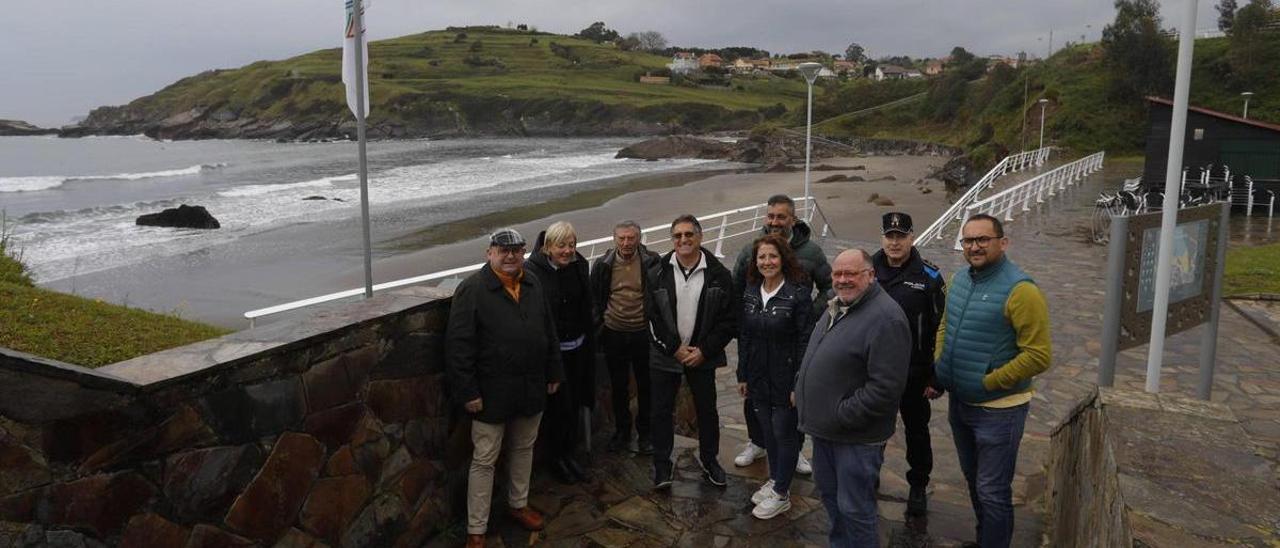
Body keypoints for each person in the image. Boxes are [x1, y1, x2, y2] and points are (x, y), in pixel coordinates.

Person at [934, 213, 1051, 548]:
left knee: (993, 491)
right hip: (961, 404)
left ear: (1003, 242)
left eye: (983, 239)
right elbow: (946, 325)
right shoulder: (959, 280)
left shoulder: (1022, 290)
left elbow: (1039, 355)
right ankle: (986, 538)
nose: (975, 246)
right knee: (974, 483)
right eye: (968, 240)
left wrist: (989, 381)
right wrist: (940, 363)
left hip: (1000, 411)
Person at [446, 228, 564, 548]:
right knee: (485, 459)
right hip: (490, 392)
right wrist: (468, 392)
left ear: (524, 252)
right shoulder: (472, 289)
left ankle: (518, 505)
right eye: (503, 250)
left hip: (530, 386)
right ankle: (476, 529)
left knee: (524, 449)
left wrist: (554, 369)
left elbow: (548, 330)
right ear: (490, 254)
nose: (510, 256)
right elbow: (459, 347)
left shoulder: (532, 282)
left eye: (516, 250)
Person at [794, 249, 910, 548]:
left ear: (870, 276)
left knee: (855, 511)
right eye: (837, 274)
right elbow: (817, 352)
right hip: (826, 433)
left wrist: (840, 414)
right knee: (833, 503)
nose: (842, 280)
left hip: (855, 440)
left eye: (851, 274)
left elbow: (885, 389)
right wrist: (801, 386)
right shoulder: (839, 306)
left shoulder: (886, 318)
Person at [732, 194, 832, 475]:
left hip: (793, 338)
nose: (775, 222)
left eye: (781, 217)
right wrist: (745, 319)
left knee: (791, 397)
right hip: (757, 331)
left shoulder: (811, 253)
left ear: (793, 219)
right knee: (754, 394)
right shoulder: (751, 249)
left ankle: (795, 449)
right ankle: (757, 442)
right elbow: (736, 286)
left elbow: (829, 286)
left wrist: (810, 313)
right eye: (771, 216)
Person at [646, 214, 737, 490]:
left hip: (702, 356)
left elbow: (729, 320)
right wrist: (674, 349)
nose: (683, 240)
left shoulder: (719, 274)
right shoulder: (656, 272)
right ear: (672, 239)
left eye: (689, 234)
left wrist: (705, 351)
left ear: (700, 236)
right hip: (666, 356)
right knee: (661, 410)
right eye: (677, 236)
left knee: (707, 411)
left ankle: (710, 461)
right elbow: (651, 317)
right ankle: (662, 464)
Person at [870, 212, 945, 517]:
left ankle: (918, 485)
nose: (895, 242)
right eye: (890, 236)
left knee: (916, 431)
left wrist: (936, 375)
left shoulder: (929, 277)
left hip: (914, 372)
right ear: (882, 239)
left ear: (912, 237)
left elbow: (942, 327)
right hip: (873, 371)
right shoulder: (867, 270)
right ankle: (869, 477)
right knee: (872, 430)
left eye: (901, 236)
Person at [736, 234, 813, 520]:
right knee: (767, 432)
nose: (767, 262)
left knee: (785, 432)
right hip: (757, 376)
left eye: (772, 256)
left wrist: (798, 382)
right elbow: (745, 335)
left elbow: (806, 339)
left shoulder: (798, 293)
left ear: (783, 259)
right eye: (761, 257)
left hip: (785, 377)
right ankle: (774, 479)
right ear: (755, 262)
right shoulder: (751, 290)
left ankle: (782, 493)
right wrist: (742, 373)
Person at [525, 221, 594, 484]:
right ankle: (556, 459)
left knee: (574, 405)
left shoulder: (578, 266)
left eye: (571, 245)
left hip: (579, 349)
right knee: (557, 410)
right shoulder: (533, 272)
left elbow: (586, 305)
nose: (567, 251)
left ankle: (569, 454)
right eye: (561, 245)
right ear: (548, 247)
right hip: (553, 356)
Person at [589, 220, 660, 455]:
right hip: (614, 333)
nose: (626, 243)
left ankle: (647, 433)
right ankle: (622, 432)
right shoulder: (602, 265)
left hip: (642, 333)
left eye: (631, 238)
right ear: (614, 239)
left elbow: (660, 296)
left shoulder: (652, 261)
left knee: (646, 386)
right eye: (622, 238)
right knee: (618, 386)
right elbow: (595, 298)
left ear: (639, 238)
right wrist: (600, 325)